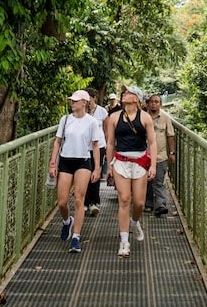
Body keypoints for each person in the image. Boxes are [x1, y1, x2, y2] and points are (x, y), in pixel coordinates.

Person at [106, 84, 157, 258]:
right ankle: (124, 241)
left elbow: (152, 143)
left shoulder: (145, 118)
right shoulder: (114, 118)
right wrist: (109, 166)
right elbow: (111, 143)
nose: (125, 94)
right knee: (124, 199)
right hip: (121, 160)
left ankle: (134, 222)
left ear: (136, 98)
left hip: (140, 161)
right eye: (124, 92)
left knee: (139, 203)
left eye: (129, 92)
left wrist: (153, 165)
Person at [48, 89, 101, 254]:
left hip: (83, 161)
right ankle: (66, 221)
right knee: (62, 201)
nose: (72, 103)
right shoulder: (65, 120)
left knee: (79, 199)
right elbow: (58, 142)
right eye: (71, 100)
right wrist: (52, 163)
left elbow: (95, 145)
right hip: (65, 160)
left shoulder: (92, 122)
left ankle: (76, 237)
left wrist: (97, 167)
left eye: (76, 101)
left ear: (84, 103)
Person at [145, 93, 175, 215]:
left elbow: (170, 135)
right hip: (145, 155)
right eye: (152, 102)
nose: (154, 104)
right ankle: (148, 203)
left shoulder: (165, 117)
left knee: (159, 180)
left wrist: (172, 153)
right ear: (148, 103)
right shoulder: (143, 116)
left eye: (156, 102)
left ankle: (160, 205)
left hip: (161, 155)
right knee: (147, 181)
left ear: (160, 104)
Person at [84, 87, 108, 216]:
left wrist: (108, 146)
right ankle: (85, 202)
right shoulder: (82, 112)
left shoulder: (102, 112)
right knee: (85, 174)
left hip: (99, 146)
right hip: (84, 147)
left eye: (89, 98)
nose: (87, 101)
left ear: (94, 98)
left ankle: (94, 201)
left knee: (96, 171)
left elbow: (107, 130)